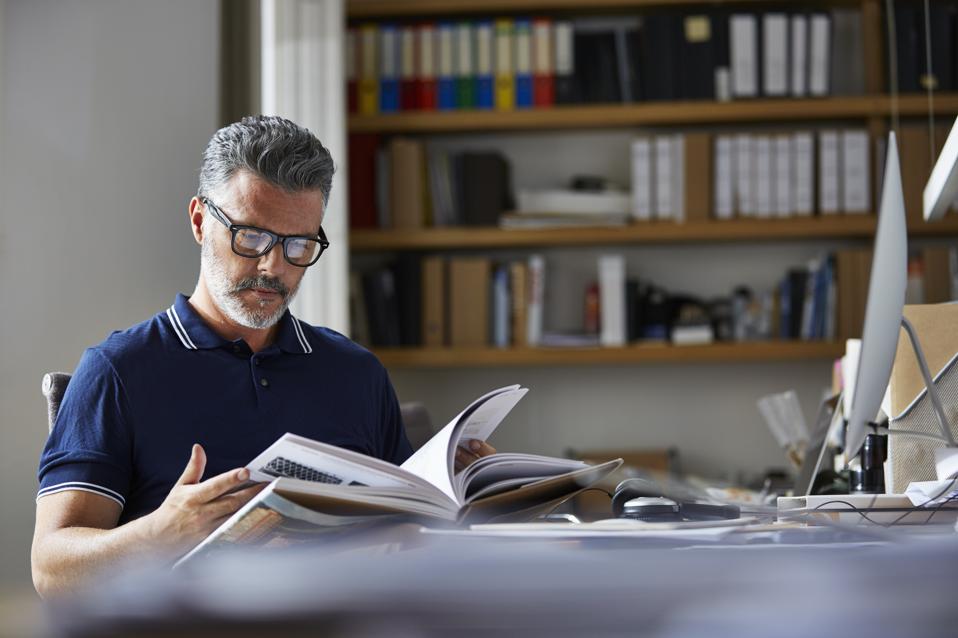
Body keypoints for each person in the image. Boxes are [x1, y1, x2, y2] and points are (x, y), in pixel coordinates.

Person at [31, 115, 494, 598]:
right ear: (199, 222)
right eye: (250, 237)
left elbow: (412, 539)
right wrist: (158, 536)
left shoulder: (356, 372)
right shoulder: (118, 370)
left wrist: (465, 499)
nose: (274, 266)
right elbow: (51, 570)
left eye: (299, 244)